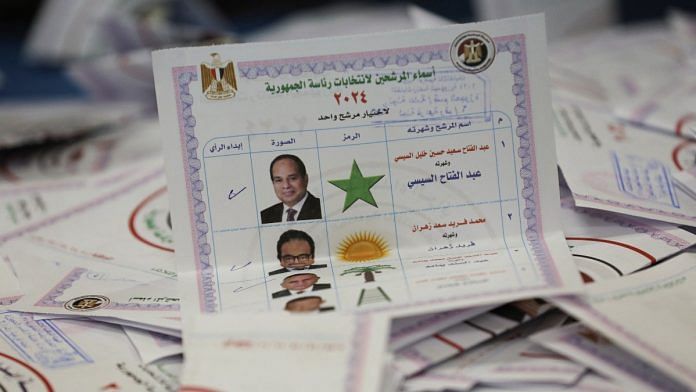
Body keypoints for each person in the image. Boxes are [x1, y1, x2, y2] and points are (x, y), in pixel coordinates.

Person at [260, 154, 322, 224]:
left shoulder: (323, 208)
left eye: (293, 178)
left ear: (305, 179)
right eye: (279, 180)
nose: (286, 185)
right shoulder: (264, 216)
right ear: (273, 183)